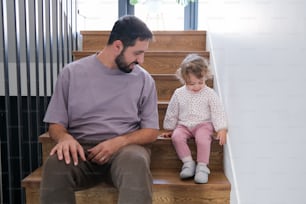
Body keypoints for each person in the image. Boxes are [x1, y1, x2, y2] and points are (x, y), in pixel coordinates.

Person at [40, 15, 160, 204]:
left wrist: (118, 142)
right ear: (118, 46)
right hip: (80, 150)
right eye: (137, 53)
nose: (141, 60)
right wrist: (64, 138)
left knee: (136, 161)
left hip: (124, 150)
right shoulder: (71, 73)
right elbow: (55, 124)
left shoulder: (144, 80)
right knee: (55, 164)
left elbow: (151, 131)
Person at [162, 53, 228, 184]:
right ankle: (188, 163)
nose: (197, 86)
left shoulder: (209, 93)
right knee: (177, 137)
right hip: (183, 125)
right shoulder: (179, 93)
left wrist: (221, 128)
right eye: (191, 83)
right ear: (184, 79)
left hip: (203, 124)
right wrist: (170, 128)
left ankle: (203, 167)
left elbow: (217, 110)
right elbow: (172, 111)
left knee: (203, 139)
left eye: (200, 82)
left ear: (206, 76)